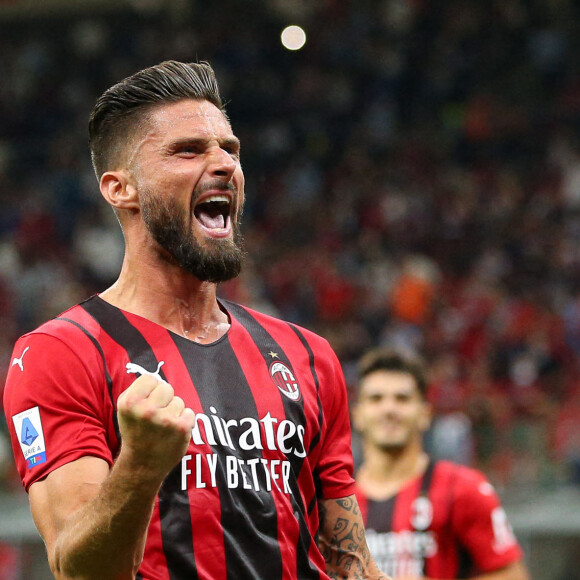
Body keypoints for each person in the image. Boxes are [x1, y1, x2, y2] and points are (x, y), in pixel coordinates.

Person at [3, 61, 388, 580]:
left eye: (230, 149)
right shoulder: (59, 353)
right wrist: (140, 464)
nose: (224, 164)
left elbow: (347, 562)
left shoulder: (307, 355)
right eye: (188, 150)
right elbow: (80, 569)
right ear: (121, 189)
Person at [351, 348, 529, 580]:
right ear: (358, 415)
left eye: (402, 399)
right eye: (376, 399)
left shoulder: (464, 488)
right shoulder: (331, 497)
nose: (389, 409)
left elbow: (514, 575)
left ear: (425, 413)